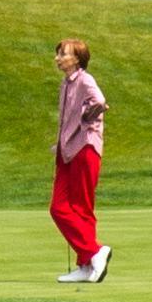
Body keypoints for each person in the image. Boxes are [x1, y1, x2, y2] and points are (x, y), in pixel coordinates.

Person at [51, 35, 109, 285]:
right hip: (66, 150)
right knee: (59, 208)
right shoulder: (66, 84)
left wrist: (86, 119)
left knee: (81, 207)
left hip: (85, 147)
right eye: (58, 53)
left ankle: (89, 260)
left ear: (77, 59)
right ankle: (91, 255)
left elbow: (100, 103)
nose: (58, 58)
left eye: (63, 54)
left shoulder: (86, 80)